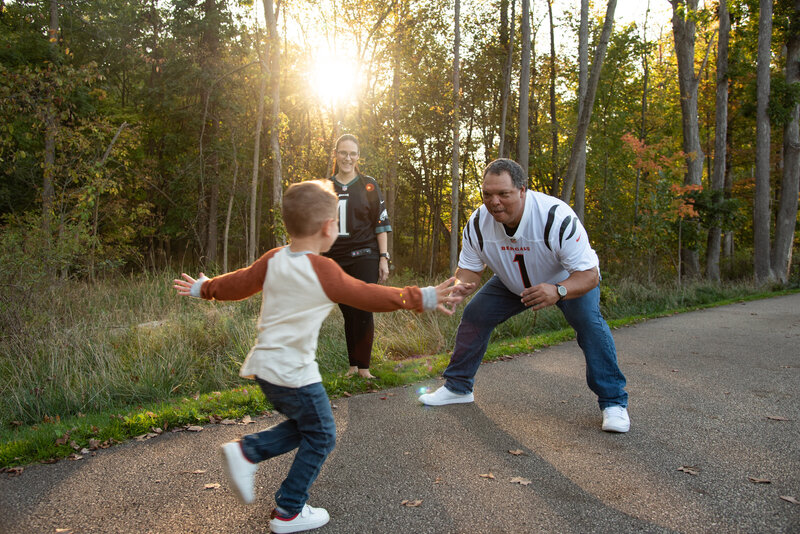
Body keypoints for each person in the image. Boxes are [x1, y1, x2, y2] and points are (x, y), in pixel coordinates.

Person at [173, 180, 463, 534]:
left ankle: (247, 452)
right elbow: (368, 295)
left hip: (266, 368)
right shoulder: (322, 270)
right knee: (323, 434)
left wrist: (204, 287)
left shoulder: (274, 258)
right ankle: (289, 509)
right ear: (329, 226)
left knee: (306, 426)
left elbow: (238, 283)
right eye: (337, 223)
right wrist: (424, 297)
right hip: (295, 373)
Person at [418, 158, 631, 433]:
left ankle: (613, 402)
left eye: (503, 194)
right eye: (488, 194)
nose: (494, 202)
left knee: (590, 325)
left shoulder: (556, 217)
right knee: (475, 316)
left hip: (567, 282)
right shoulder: (477, 223)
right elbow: (469, 271)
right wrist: (454, 290)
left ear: (522, 191)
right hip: (511, 284)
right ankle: (458, 388)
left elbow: (589, 275)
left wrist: (558, 290)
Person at [323, 134, 391, 379]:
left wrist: (384, 257)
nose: (347, 158)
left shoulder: (368, 184)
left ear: (358, 156)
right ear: (336, 154)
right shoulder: (325, 187)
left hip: (365, 254)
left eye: (352, 153)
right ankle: (353, 367)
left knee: (363, 308)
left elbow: (381, 223)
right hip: (335, 258)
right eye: (343, 152)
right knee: (348, 311)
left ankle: (364, 369)